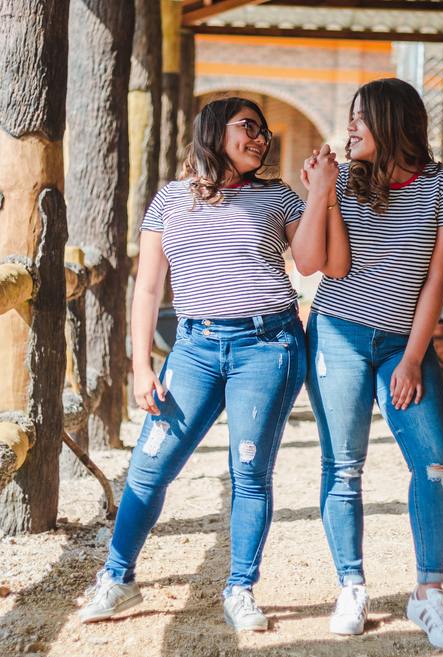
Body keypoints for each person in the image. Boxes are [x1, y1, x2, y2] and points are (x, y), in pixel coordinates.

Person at [79, 97, 349, 630]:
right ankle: (117, 578)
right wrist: (140, 367)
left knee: (250, 472)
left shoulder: (278, 199)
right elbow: (149, 288)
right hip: (194, 349)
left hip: (267, 348)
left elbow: (317, 265)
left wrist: (322, 194)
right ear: (212, 130)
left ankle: (241, 588)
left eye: (265, 131)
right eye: (248, 126)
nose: (261, 137)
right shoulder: (170, 200)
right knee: (150, 466)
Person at [304, 78, 443, 650]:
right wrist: (323, 194)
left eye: (360, 118)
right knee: (344, 465)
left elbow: (437, 280)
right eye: (349, 118)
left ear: (392, 121)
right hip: (338, 333)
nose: (349, 128)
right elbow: (334, 268)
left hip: (407, 342)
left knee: (434, 464)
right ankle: (350, 584)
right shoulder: (347, 183)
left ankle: (428, 593)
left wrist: (413, 358)